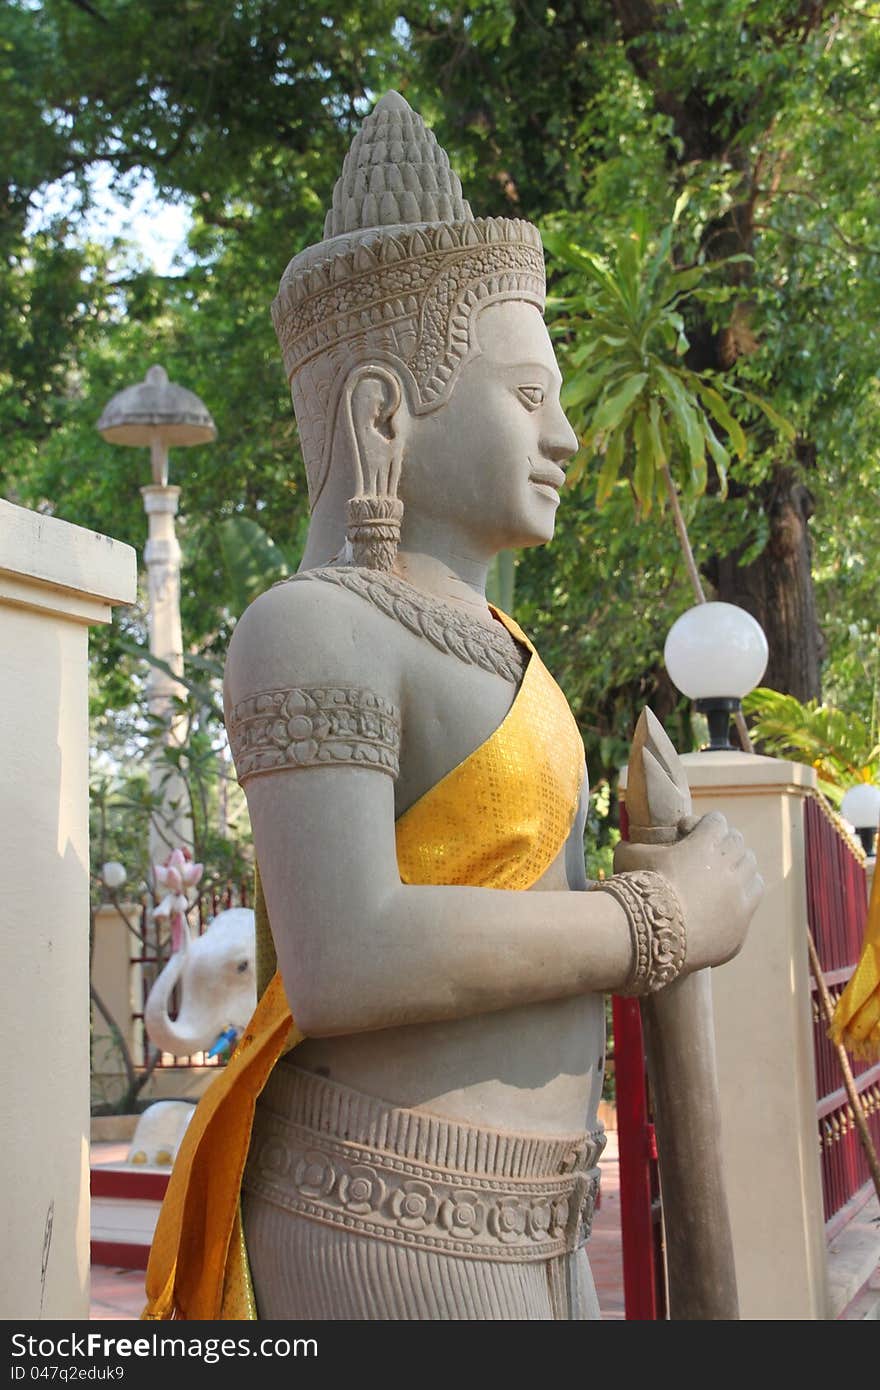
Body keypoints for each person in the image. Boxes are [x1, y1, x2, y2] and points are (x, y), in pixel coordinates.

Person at [143, 91, 762, 1322]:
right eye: (530, 398)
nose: (571, 437)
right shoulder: (310, 625)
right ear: (385, 414)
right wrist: (657, 918)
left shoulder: (502, 647)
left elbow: (519, 913)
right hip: (375, 1205)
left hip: (536, 1206)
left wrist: (646, 879)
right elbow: (346, 957)